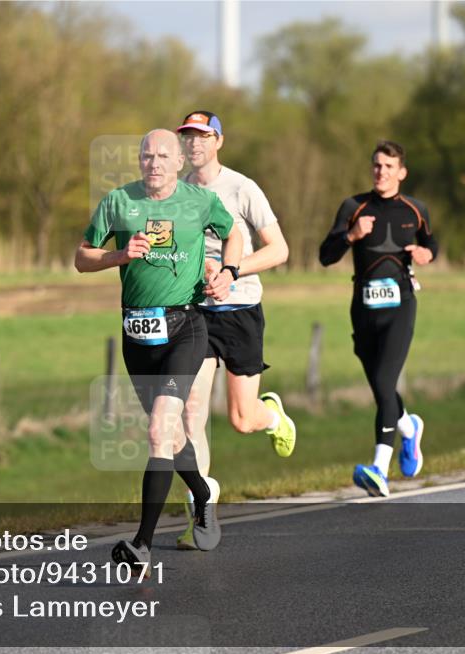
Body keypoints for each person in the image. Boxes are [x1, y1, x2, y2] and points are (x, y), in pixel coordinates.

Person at [75, 129, 241, 575]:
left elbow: (234, 234)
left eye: (163, 156)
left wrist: (228, 271)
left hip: (185, 328)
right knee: (170, 436)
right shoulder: (117, 201)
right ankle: (203, 494)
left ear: (178, 161)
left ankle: (142, 545)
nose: (154, 163)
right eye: (147, 156)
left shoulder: (199, 201)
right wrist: (118, 257)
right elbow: (81, 257)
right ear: (139, 160)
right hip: (137, 335)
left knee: (158, 430)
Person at [175, 111, 296, 550]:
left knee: (242, 420)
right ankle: (201, 511)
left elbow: (279, 250)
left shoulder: (242, 188)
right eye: (187, 136)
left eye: (203, 136)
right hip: (196, 313)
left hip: (241, 309)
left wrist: (230, 269)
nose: (194, 144)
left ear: (219, 141)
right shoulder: (177, 193)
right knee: (191, 412)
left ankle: (273, 415)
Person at [319, 140, 436, 497]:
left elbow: (434, 243)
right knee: (381, 389)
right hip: (363, 309)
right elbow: (325, 255)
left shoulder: (415, 209)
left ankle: (379, 470)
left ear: (401, 172)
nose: (380, 172)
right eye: (376, 165)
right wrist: (351, 236)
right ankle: (409, 428)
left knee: (386, 384)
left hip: (401, 305)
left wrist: (426, 252)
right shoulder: (354, 206)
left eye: (388, 166)